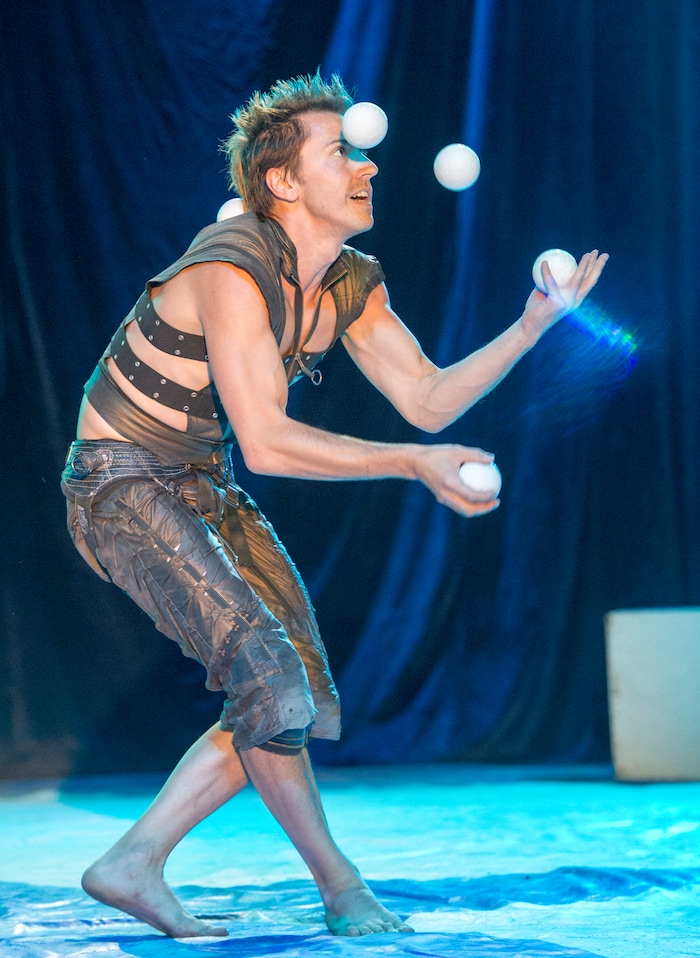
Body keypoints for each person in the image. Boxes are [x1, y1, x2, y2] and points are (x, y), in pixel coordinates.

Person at [61, 72, 607, 939]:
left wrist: (535, 322)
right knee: (271, 684)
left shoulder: (348, 283)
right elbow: (272, 442)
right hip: (121, 484)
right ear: (282, 182)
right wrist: (414, 465)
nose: (368, 167)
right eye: (341, 151)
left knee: (293, 696)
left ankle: (182, 868)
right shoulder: (230, 264)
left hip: (203, 485)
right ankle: (300, 879)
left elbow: (427, 399)